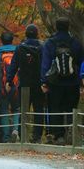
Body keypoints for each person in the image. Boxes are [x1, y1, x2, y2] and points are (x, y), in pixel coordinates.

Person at [41, 17, 83, 145]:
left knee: (55, 108)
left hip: (55, 82)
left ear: (56, 26)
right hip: (73, 81)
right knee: (71, 107)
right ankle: (71, 131)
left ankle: (58, 135)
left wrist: (44, 81)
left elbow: (45, 63)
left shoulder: (50, 43)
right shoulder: (75, 43)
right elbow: (81, 61)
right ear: (68, 26)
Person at [6, 24, 44, 142]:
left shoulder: (20, 48)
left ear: (26, 34)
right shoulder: (42, 47)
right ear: (37, 34)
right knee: (38, 110)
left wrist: (9, 80)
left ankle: (23, 135)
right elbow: (45, 65)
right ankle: (37, 136)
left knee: (23, 109)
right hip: (39, 84)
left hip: (24, 83)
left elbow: (13, 65)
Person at [0, 31, 18, 143]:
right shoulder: (17, 52)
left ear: (1, 41)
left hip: (1, 88)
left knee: (4, 111)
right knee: (16, 109)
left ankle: (6, 137)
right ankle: (15, 130)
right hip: (16, 86)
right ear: (12, 40)